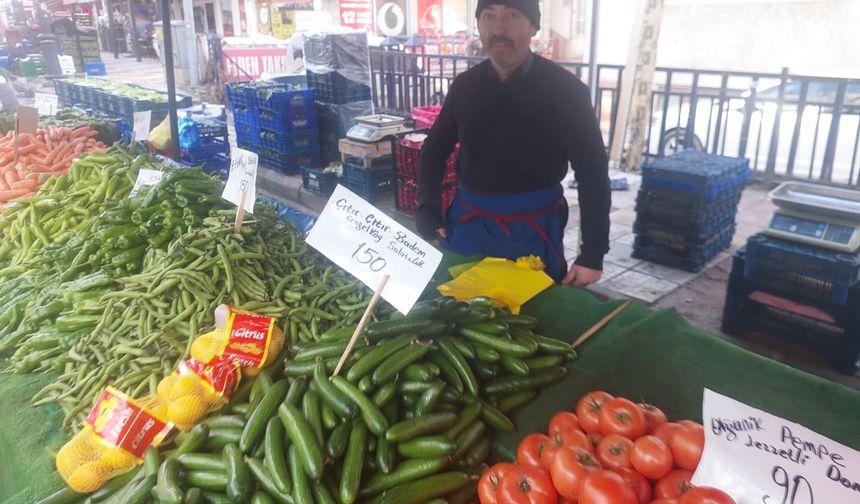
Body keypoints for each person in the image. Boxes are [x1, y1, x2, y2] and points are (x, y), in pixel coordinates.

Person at [416, 0, 611, 287]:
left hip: (532, 230)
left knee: (530, 319)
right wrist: (427, 208)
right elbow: (434, 150)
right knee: (457, 315)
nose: (498, 29)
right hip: (468, 227)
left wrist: (593, 253)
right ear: (479, 24)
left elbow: (593, 172)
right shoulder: (465, 86)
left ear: (533, 25)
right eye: (488, 16)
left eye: (512, 15)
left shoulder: (567, 92)